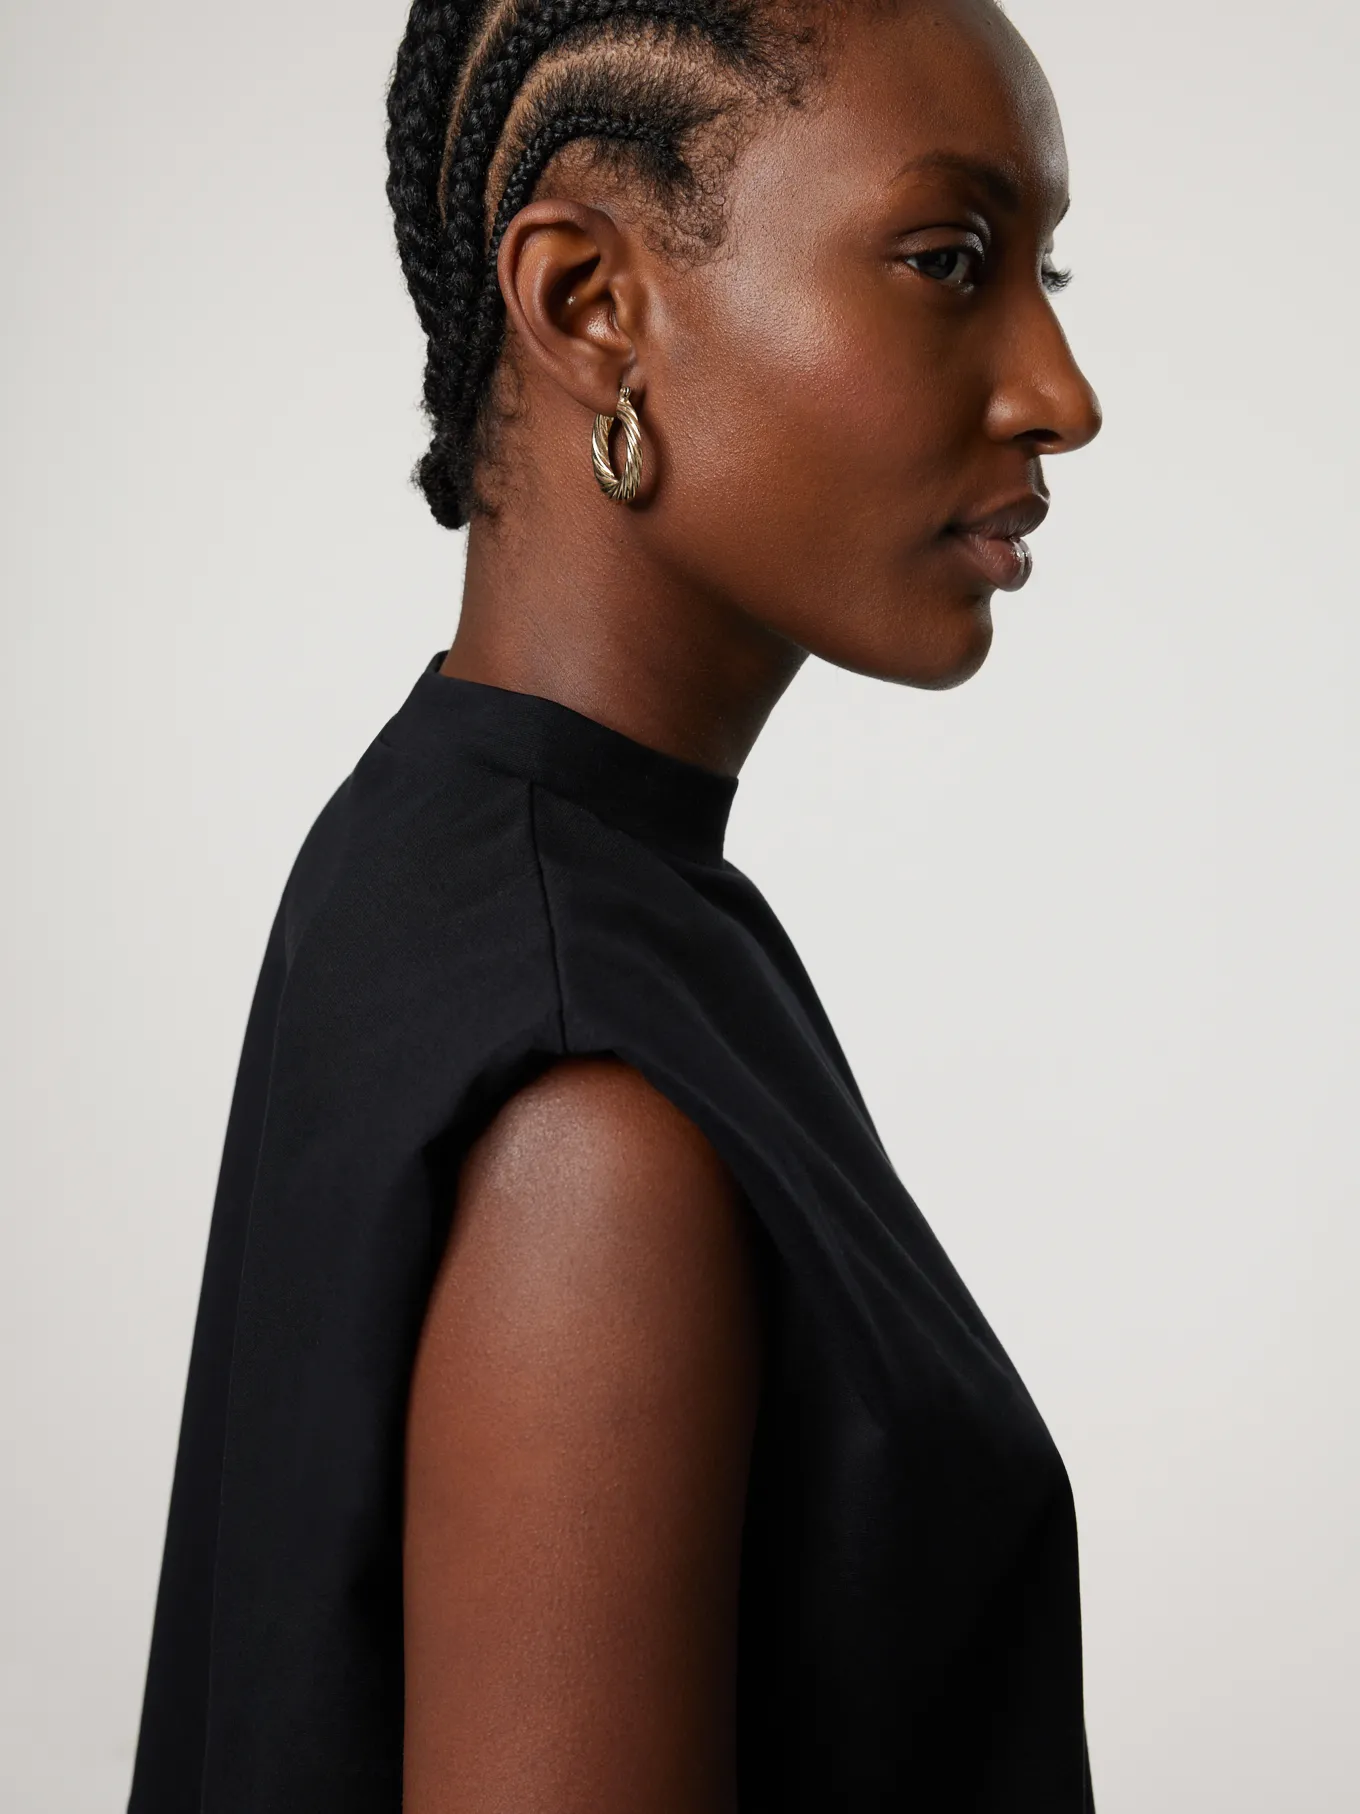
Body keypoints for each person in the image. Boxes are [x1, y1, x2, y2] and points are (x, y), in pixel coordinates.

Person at [129, 1, 1103, 1810]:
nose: (1062, 391)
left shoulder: (465, 854)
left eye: (1047, 274)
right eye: (948, 261)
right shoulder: (590, 1100)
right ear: (591, 304)